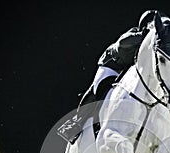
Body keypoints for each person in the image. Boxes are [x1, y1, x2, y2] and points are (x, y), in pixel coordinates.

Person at [57, 10, 162, 143]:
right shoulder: (134, 33)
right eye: (153, 25)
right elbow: (121, 45)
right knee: (97, 89)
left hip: (129, 72)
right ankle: (75, 124)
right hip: (111, 66)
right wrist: (143, 35)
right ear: (145, 24)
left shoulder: (154, 43)